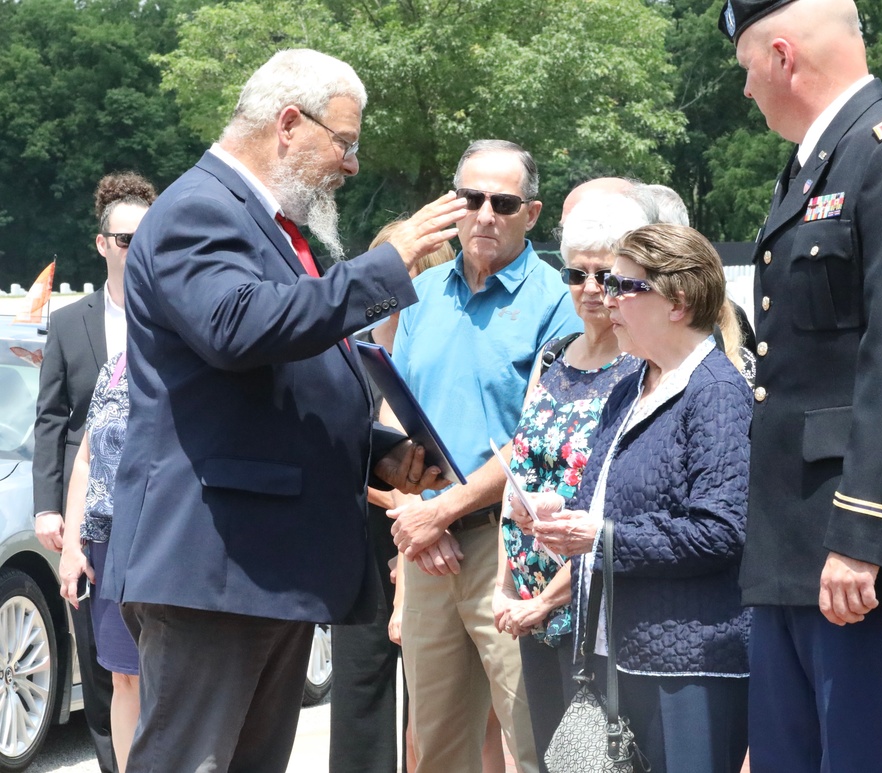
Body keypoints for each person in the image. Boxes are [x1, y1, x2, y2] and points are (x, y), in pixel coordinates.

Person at [103, 49, 467, 773]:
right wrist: (382, 267)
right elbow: (239, 328)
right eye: (346, 142)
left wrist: (377, 449)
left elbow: (282, 383)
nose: (352, 165)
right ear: (290, 124)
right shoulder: (198, 209)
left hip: (258, 565)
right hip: (212, 565)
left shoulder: (266, 223)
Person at [717, 0, 882, 769]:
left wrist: (862, 536)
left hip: (860, 552)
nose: (746, 93)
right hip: (791, 546)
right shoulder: (816, 164)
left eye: (745, 72)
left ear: (781, 56)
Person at [512, 223, 752, 771]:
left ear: (679, 300)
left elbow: (722, 530)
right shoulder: (631, 383)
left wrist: (601, 536)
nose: (606, 297)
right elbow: (611, 496)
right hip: (612, 653)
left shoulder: (715, 391)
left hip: (687, 667)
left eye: (625, 287)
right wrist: (559, 512)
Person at [388, 139, 582, 773]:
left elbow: (540, 442)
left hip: (511, 549)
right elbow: (394, 414)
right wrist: (417, 510)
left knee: (531, 745)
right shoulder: (418, 292)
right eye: (471, 199)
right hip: (426, 550)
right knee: (436, 749)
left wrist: (441, 510)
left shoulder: (559, 301)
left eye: (503, 202)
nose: (485, 215)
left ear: (532, 213)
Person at [492, 192, 646, 768]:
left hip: (593, 612)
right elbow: (518, 481)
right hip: (531, 603)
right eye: (575, 272)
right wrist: (505, 589)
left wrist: (546, 601)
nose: (589, 288)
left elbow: (614, 505)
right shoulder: (553, 357)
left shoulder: (640, 371)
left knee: (597, 759)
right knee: (554, 757)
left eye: (605, 274)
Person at [33, 171, 156, 773]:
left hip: (160, 516)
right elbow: (54, 422)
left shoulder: (174, 314)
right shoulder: (67, 322)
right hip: (95, 516)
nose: (135, 247)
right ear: (102, 243)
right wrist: (52, 511)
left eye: (146, 236)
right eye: (124, 238)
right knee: (107, 668)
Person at [328, 219, 455, 773]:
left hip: (442, 532)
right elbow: (337, 448)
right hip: (370, 536)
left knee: (436, 704)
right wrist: (396, 503)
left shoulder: (444, 347)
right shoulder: (355, 352)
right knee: (361, 691)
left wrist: (425, 510)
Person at [59, 347, 137, 773]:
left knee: (154, 683)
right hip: (106, 548)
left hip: (153, 543)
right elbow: (86, 461)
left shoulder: (186, 358)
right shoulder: (116, 364)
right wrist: (72, 545)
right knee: (123, 679)